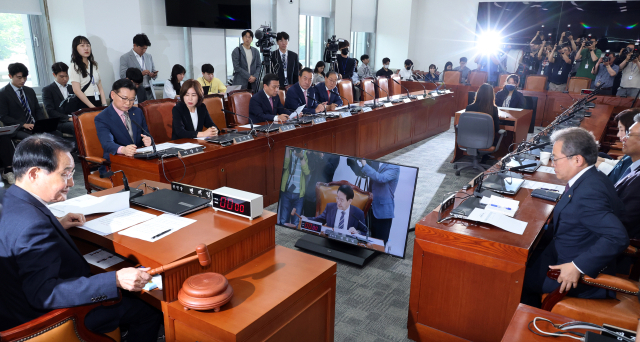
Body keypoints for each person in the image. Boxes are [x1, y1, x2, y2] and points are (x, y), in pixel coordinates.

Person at [0, 134, 163, 339]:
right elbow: (44, 294)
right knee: (149, 309)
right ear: (34, 174)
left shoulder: (10, 198)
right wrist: (115, 279)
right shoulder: (32, 225)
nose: (70, 182)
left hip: (11, 304)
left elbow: (18, 241)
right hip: (45, 318)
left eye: (72, 172)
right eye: (64, 174)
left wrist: (57, 225)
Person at [521, 127, 628, 308]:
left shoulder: (589, 192)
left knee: (515, 278)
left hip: (571, 272)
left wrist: (578, 266)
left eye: (556, 158)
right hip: (562, 249)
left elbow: (617, 237)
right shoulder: (592, 177)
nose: (553, 162)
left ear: (577, 159)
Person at [94, 79, 152, 175]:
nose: (128, 103)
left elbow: (146, 134)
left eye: (132, 99)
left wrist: (148, 140)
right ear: (113, 95)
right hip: (115, 165)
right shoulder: (102, 118)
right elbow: (107, 143)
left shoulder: (137, 112)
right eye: (124, 98)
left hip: (138, 162)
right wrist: (123, 150)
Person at [0, 63, 46, 141]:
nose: (23, 80)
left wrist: (41, 124)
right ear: (10, 76)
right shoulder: (3, 93)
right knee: (35, 140)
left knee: (56, 134)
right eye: (19, 77)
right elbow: (3, 117)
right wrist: (23, 125)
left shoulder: (29, 91)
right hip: (18, 129)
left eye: (25, 77)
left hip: (34, 126)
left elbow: (37, 110)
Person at [359, 160, 399, 244]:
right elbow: (369, 175)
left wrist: (364, 163)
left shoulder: (394, 167)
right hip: (370, 209)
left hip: (383, 213)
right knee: (367, 241)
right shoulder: (380, 163)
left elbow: (381, 178)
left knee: (379, 244)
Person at [302, 184, 367, 236]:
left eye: (341, 200)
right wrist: (306, 219)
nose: (338, 202)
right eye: (337, 198)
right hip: (330, 241)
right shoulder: (330, 207)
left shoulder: (358, 213)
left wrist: (357, 232)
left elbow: (364, 232)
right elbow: (319, 220)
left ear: (349, 201)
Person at [613, 113, 640, 239]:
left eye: (629, 135)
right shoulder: (635, 167)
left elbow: (620, 223)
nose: (623, 138)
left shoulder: (638, 182)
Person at [596, 109, 637, 183]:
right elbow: (621, 165)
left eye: (621, 130)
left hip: (613, 183)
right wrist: (599, 160)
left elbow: (618, 176)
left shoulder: (635, 152)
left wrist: (596, 163)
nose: (618, 134)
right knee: (600, 155)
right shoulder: (632, 150)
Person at [69, 36, 107, 109]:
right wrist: (92, 107)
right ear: (75, 48)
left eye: (88, 45)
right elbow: (76, 90)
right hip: (84, 101)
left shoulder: (94, 65)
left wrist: (104, 105)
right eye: (82, 45)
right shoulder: (74, 66)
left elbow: (100, 87)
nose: (86, 48)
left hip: (97, 99)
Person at [119, 33, 157, 101]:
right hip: (136, 91)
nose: (144, 51)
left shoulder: (148, 56)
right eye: (142, 49)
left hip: (150, 90)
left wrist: (153, 74)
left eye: (146, 48)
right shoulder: (125, 58)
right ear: (134, 45)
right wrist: (140, 74)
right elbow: (123, 75)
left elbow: (153, 70)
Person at [42, 62, 76, 137]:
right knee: (76, 126)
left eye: (67, 76)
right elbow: (50, 111)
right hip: (59, 122)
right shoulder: (48, 90)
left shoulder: (72, 88)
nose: (65, 79)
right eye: (61, 76)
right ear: (54, 75)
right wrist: (68, 118)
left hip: (74, 118)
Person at [278, 147, 310, 227]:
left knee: (296, 223)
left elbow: (307, 171)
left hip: (299, 195)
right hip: (286, 192)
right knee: (283, 220)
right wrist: (288, 150)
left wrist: (301, 156)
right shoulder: (290, 151)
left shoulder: (306, 153)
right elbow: (285, 166)